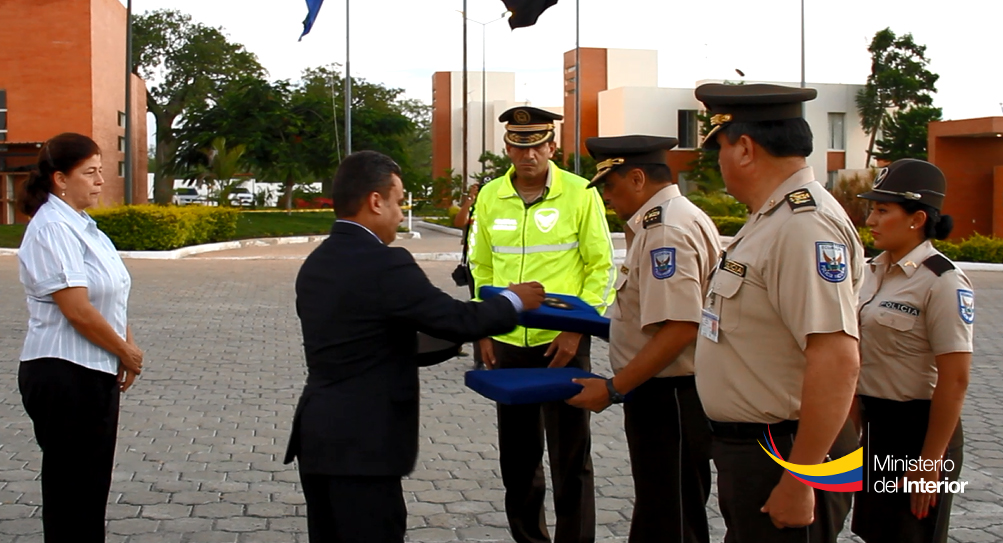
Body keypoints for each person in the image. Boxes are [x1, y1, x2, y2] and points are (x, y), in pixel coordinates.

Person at [284, 150, 545, 543]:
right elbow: (458, 319)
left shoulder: (318, 261)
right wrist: (514, 300)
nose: (401, 211)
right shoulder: (386, 263)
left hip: (319, 437)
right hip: (365, 446)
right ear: (376, 201)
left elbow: (363, 337)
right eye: (399, 200)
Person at [692, 84, 864, 542]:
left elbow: (836, 358)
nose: (720, 162)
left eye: (721, 149)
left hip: (785, 452)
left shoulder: (802, 226)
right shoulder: (772, 218)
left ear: (745, 148)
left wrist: (801, 477)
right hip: (766, 449)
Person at [470, 106, 616, 543]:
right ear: (507, 148)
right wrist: (483, 327)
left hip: (563, 344)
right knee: (518, 459)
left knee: (571, 458)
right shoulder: (490, 196)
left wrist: (578, 329)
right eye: (518, 145)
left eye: (536, 145)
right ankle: (529, 538)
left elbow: (601, 266)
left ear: (552, 147)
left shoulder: (580, 192)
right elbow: (480, 267)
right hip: (508, 342)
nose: (527, 154)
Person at [568, 135, 720, 543]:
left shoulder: (665, 230)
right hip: (668, 391)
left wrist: (614, 389)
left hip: (668, 394)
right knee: (668, 506)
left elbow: (679, 326)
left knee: (669, 512)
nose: (607, 199)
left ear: (636, 178)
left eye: (610, 187)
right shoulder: (674, 216)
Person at [16, 132, 144, 542]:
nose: (100, 181)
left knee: (89, 488)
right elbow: (77, 309)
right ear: (59, 178)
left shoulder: (85, 227)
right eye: (89, 173)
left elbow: (110, 294)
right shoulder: (52, 228)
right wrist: (124, 351)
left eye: (101, 171)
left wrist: (125, 346)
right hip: (63, 372)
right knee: (72, 491)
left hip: (93, 370)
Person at [852, 159, 973, 543]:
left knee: (910, 535)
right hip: (876, 429)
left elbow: (955, 379)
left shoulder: (943, 281)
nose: (871, 219)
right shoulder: (872, 271)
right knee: (876, 533)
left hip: (919, 434)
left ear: (916, 218)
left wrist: (929, 462)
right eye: (873, 209)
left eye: (882, 210)